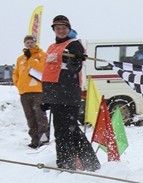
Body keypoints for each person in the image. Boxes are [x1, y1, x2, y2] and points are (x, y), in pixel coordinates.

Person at [41, 15, 100, 171]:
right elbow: (48, 73)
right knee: (63, 132)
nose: (61, 31)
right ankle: (85, 163)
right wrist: (46, 98)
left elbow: (75, 67)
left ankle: (69, 164)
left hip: (68, 94)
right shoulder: (52, 47)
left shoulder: (74, 45)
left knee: (67, 131)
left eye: (64, 28)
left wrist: (77, 59)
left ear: (69, 29)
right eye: (58, 28)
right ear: (54, 29)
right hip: (55, 95)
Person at [13, 35, 49, 148]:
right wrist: (18, 84)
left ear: (35, 43)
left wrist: (31, 59)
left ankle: (43, 139)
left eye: (31, 42)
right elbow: (16, 73)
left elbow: (43, 69)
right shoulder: (20, 59)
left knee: (40, 116)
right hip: (24, 92)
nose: (29, 44)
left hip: (38, 91)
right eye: (27, 42)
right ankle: (34, 140)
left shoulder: (42, 55)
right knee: (30, 117)